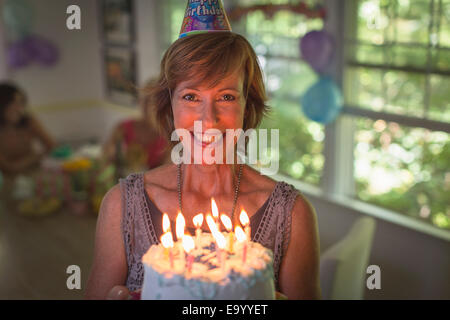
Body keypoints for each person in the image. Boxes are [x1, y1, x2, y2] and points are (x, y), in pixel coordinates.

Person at [86, 31, 321, 300]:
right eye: (190, 96)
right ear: (169, 105)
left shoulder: (291, 213)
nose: (208, 120)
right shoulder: (122, 204)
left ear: (248, 104)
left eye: (226, 97)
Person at [103, 78, 169, 178]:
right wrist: (111, 155)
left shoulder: (168, 137)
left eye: (153, 100)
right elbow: (107, 155)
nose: (148, 106)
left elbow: (167, 174)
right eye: (145, 100)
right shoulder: (123, 127)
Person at [0, 82, 55, 177]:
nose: (18, 109)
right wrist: (35, 157)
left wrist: (25, 161)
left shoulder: (29, 121)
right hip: (6, 178)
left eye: (21, 103)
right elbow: (8, 167)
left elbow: (52, 146)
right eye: (13, 104)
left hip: (33, 173)